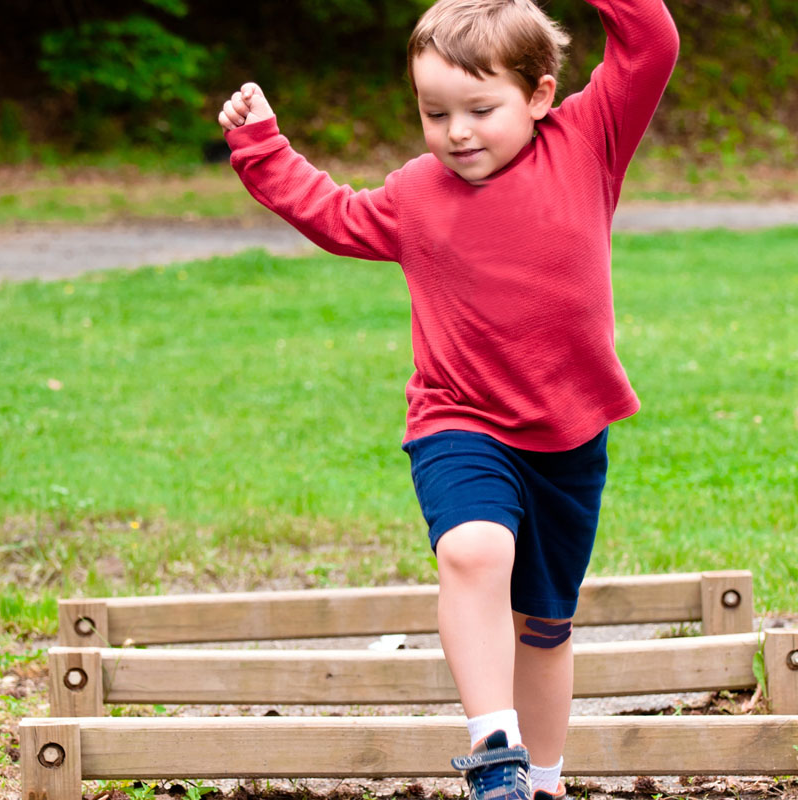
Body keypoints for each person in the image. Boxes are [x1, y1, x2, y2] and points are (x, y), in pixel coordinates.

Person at [219, 0, 678, 797]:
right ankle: (491, 743)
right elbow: (333, 214)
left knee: (544, 624)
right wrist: (263, 147)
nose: (457, 131)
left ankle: (541, 777)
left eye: (480, 110)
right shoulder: (416, 193)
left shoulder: (587, 141)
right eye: (435, 113)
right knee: (473, 549)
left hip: (568, 436)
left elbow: (651, 42)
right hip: (458, 419)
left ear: (539, 96)